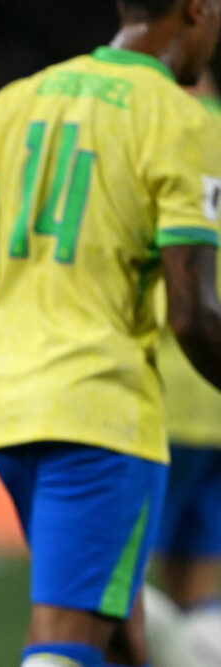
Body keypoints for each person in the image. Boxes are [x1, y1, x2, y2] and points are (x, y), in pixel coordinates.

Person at [0, 0, 221, 665]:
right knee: (66, 637)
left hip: (11, 408)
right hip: (103, 410)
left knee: (120, 622)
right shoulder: (184, 121)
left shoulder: (23, 99)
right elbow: (191, 312)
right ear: (199, 10)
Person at [143, 71, 221, 667]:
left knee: (109, 592)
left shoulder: (159, 136)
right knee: (202, 588)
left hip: (160, 395)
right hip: (213, 404)